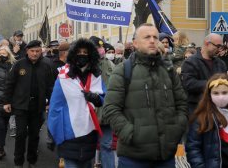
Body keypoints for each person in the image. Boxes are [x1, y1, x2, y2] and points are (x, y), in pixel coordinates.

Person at [103, 23, 188, 167]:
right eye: (147, 37)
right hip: (134, 157)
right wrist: (131, 134)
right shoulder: (123, 71)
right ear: (135, 43)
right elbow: (111, 109)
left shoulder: (168, 70)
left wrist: (176, 129)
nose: (152, 40)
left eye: (155, 37)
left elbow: (182, 104)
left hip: (165, 156)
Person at [48, 38, 105, 168]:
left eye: (85, 52)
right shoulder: (63, 77)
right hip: (69, 134)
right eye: (79, 52)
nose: (82, 55)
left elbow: (103, 97)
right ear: (73, 54)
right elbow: (55, 107)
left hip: (89, 132)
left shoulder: (96, 76)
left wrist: (96, 99)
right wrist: (52, 133)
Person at [3, 40, 54, 168]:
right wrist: (7, 101)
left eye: (37, 51)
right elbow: (10, 83)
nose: (35, 54)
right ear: (27, 51)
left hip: (37, 106)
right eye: (32, 51)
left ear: (41, 51)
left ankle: (32, 160)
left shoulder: (46, 65)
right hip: (21, 105)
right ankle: (18, 161)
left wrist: (50, 102)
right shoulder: (19, 64)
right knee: (20, 134)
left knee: (34, 135)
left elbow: (50, 86)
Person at [186, 74, 228, 168]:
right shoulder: (202, 118)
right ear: (209, 95)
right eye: (216, 93)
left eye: (224, 92)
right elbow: (193, 148)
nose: (221, 97)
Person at [181, 33, 227, 113]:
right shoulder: (190, 62)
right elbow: (188, 84)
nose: (219, 49)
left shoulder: (221, 63)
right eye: (218, 46)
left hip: (217, 109)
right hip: (197, 109)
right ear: (207, 44)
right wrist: (211, 84)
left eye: (221, 47)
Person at [89, 36, 116, 168]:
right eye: (97, 47)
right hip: (89, 113)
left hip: (106, 113)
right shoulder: (84, 64)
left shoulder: (110, 65)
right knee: (87, 147)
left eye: (101, 47)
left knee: (107, 146)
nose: (101, 50)